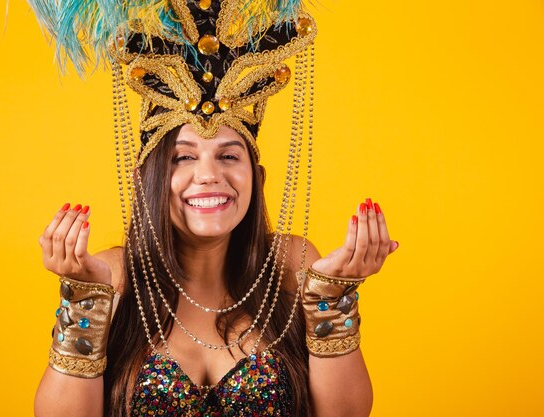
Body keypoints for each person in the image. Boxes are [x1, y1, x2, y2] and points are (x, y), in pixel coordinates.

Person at [28, 1, 399, 416]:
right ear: (145, 179)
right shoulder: (113, 275)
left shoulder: (290, 267)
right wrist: (83, 303)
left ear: (256, 176)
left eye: (228, 156)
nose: (208, 176)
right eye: (183, 158)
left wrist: (332, 298)